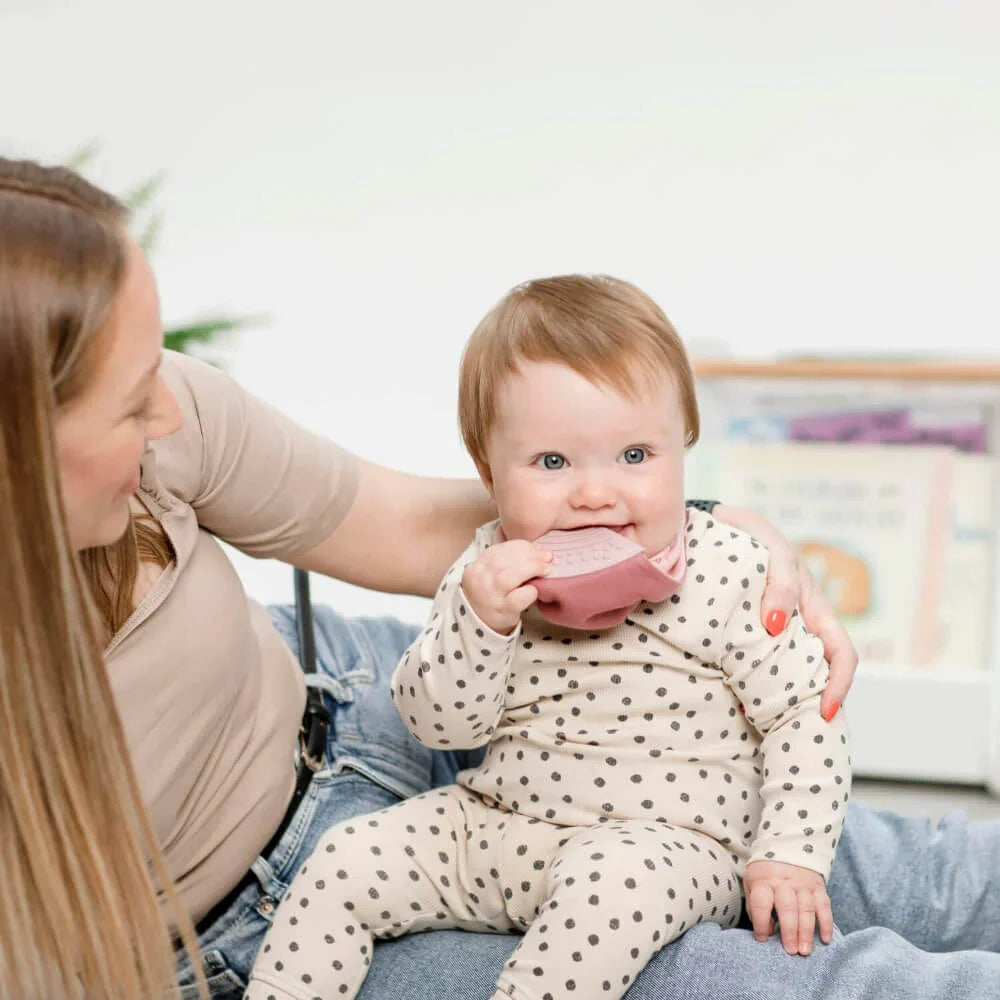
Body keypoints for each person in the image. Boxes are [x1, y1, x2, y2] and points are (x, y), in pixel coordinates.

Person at [0, 157, 995, 1000]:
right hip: (351, 867)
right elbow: (446, 707)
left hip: (362, 718)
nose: (167, 417)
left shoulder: (174, 426)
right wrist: (483, 611)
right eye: (132, 404)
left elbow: (382, 518)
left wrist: (701, 527)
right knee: (768, 977)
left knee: (905, 871)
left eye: (642, 453)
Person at [244, 275, 852, 1000]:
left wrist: (788, 854)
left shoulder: (727, 567)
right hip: (495, 825)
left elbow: (804, 714)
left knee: (608, 890)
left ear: (683, 448)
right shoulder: (484, 570)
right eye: (553, 463)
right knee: (341, 859)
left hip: (666, 850)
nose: (595, 494)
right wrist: (481, 622)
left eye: (635, 456)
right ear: (489, 474)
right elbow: (439, 725)